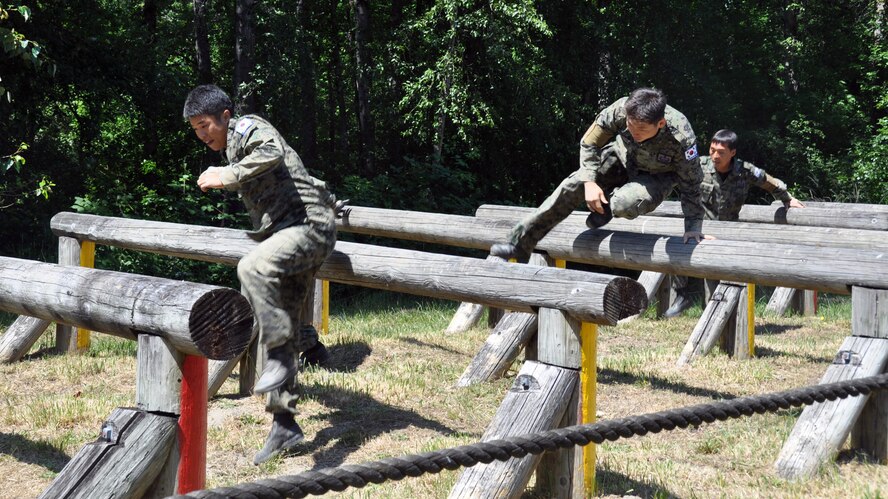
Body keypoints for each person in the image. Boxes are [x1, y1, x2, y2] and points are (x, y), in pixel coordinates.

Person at [183, 84, 337, 464]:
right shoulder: (231, 145)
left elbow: (273, 152)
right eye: (196, 130)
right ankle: (284, 424)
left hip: (310, 227)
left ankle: (288, 356)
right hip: (288, 232)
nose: (203, 135)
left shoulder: (250, 128)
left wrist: (227, 174)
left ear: (225, 116)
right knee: (276, 321)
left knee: (251, 267)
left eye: (206, 125)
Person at [490, 87, 710, 262]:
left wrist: (693, 228)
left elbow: (691, 183)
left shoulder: (681, 136)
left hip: (656, 176)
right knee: (572, 186)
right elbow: (589, 142)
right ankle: (519, 244)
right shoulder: (620, 110)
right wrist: (589, 182)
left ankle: (607, 206)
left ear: (660, 123)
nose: (634, 132)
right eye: (630, 127)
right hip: (620, 159)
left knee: (623, 204)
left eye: (641, 130)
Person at [664, 129, 805, 317]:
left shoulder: (745, 171)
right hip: (701, 229)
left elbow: (768, 182)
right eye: (712, 150)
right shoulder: (699, 166)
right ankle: (682, 296)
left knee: (716, 278)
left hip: (729, 232)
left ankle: (713, 314)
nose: (715, 155)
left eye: (721, 152)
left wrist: (787, 199)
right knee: (677, 249)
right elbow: (673, 179)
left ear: (733, 153)